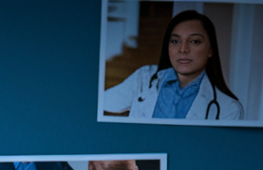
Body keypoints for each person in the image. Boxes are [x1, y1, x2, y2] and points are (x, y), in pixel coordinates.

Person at [102, 10, 243, 121]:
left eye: (194, 41)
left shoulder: (228, 108)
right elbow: (97, 105)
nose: (183, 50)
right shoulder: (143, 78)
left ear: (210, 50)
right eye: (175, 41)